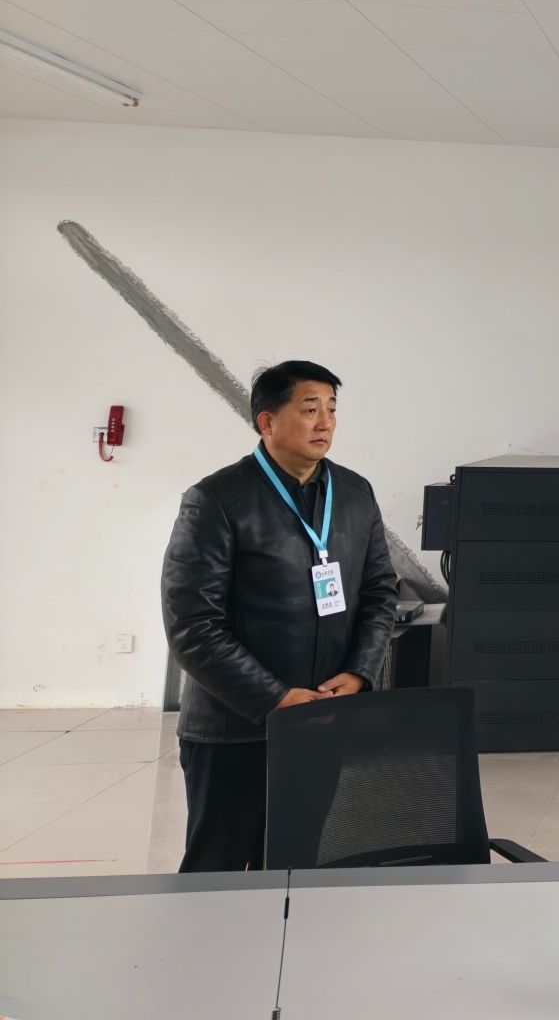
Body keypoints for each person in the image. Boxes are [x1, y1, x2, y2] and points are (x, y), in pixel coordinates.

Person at [161, 360, 399, 872]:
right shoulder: (217, 500)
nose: (325, 423)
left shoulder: (355, 494)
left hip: (320, 718)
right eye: (310, 409)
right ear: (267, 421)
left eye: (331, 409)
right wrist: (274, 697)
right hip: (235, 727)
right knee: (217, 873)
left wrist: (359, 672)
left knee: (296, 865)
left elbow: (381, 592)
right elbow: (192, 625)